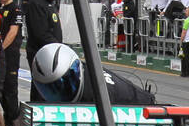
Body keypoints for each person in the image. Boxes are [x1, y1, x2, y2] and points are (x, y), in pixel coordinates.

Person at [30, 43, 159, 105]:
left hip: (139, 114)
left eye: (62, 84)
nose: (57, 91)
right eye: (51, 88)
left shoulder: (95, 94)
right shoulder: (83, 71)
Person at [25, 0, 64, 102]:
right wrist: (60, 49)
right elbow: (40, 34)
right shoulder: (36, 2)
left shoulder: (51, 2)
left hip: (50, 54)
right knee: (41, 91)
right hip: (41, 55)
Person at [0, 0, 24, 123]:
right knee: (1, 87)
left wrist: (1, 49)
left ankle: (13, 120)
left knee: (11, 88)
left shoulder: (15, 9)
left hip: (10, 54)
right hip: (0, 55)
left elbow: (13, 32)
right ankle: (6, 118)